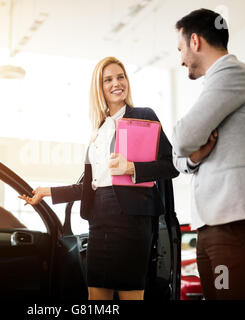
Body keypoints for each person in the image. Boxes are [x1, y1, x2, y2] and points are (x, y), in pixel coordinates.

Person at [19, 56, 179, 300]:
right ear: (100, 87)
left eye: (120, 77)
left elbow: (171, 165)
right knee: (96, 296)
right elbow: (89, 185)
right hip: (99, 218)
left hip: (132, 221)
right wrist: (45, 191)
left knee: (129, 294)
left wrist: (131, 167)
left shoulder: (143, 115)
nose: (116, 83)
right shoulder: (99, 130)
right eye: (108, 79)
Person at [172, 9, 245, 300]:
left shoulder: (233, 74)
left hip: (235, 226)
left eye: (181, 48)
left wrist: (188, 148)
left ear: (195, 41)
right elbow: (180, 154)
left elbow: (182, 138)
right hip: (218, 227)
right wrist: (194, 157)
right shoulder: (218, 84)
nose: (181, 59)